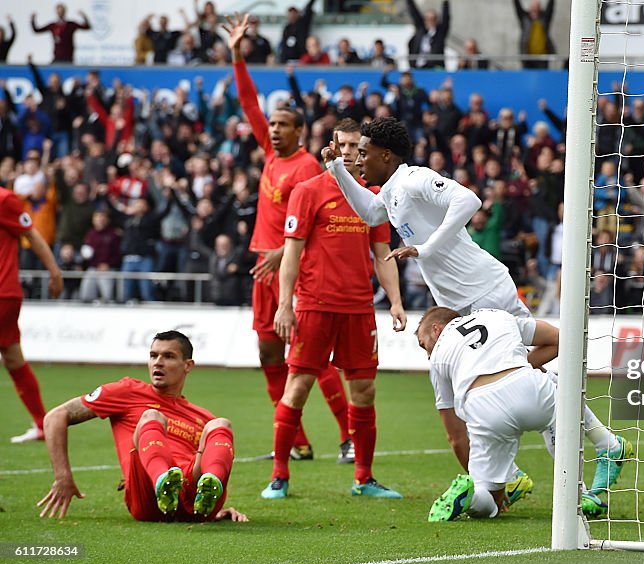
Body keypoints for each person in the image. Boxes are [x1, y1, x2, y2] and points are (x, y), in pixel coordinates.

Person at [226, 13, 352, 463]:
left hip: (291, 269)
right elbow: (247, 104)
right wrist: (238, 54)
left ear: (299, 131)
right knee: (267, 352)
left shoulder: (308, 169)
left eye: (283, 125)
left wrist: (282, 250)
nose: (274, 129)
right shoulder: (267, 152)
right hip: (261, 267)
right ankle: (296, 442)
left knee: (309, 359)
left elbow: (321, 221)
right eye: (272, 124)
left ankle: (347, 436)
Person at [262, 119, 406, 500]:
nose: (348, 152)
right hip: (314, 306)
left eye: (356, 147)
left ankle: (364, 478)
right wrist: (285, 305)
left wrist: (395, 300)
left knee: (364, 391)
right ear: (332, 145)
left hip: (359, 309)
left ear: (364, 152)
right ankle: (279, 476)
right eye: (342, 145)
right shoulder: (308, 191)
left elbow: (382, 255)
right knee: (298, 387)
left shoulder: (371, 197)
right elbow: (291, 253)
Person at [416, 308, 633, 521]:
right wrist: (517, 366)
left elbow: (455, 436)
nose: (427, 355)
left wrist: (483, 477)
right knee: (557, 393)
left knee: (489, 497)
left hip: (482, 409)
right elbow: (561, 338)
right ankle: (600, 457)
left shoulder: (437, 360)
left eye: (423, 345)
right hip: (528, 387)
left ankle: (472, 498)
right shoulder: (496, 315)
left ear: (436, 330)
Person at [326, 117, 530, 319]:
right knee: (524, 347)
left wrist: (425, 248)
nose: (358, 161)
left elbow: (468, 200)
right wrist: (337, 168)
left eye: (363, 153)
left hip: (483, 289)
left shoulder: (413, 179)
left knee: (522, 345)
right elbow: (370, 213)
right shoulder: (390, 192)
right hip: (457, 300)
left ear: (386, 156)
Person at [36, 331, 247, 523]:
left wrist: (219, 508)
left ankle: (210, 491)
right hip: (147, 498)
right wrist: (63, 477)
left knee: (220, 424)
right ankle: (163, 482)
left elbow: (203, 459)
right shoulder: (127, 391)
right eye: (153, 356)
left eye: (168, 356)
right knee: (152, 416)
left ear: (188, 365)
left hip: (192, 504)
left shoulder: (203, 417)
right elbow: (55, 417)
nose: (158, 363)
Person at [2, 185, 63, 442]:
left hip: (2, 291)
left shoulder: (5, 200)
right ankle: (42, 424)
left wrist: (55, 272)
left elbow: (33, 235)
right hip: (6, 294)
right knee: (14, 358)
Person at [406, 0, 449, 69]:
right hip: (418, 66)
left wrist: (445, 3)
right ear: (425, 20)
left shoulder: (440, 32)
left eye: (433, 19)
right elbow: (414, 12)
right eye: (428, 19)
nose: (431, 21)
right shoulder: (421, 30)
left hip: (434, 67)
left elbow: (446, 18)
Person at [513, 0, 555, 69]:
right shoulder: (525, 18)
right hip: (528, 58)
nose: (534, 9)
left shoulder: (544, 19)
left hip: (543, 58)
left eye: (536, 7)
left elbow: (550, 8)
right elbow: (518, 8)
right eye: (533, 7)